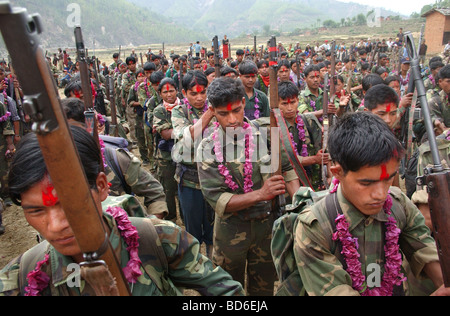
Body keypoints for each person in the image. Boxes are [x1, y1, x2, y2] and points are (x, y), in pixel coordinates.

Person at [0, 125, 244, 296]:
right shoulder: (19, 278)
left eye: (69, 206)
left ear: (102, 186)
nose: (54, 226)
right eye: (36, 212)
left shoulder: (157, 240)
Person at [293, 112, 450, 296]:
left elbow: (425, 251)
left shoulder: (399, 205)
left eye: (388, 179)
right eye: (366, 183)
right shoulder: (315, 226)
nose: (381, 194)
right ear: (337, 172)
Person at [197, 77, 300, 296]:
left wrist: (298, 199)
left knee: (263, 288)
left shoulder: (266, 132)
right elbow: (219, 200)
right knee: (227, 288)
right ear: (212, 111)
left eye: (236, 110)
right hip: (231, 231)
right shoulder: (208, 149)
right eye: (224, 114)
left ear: (244, 102)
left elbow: (287, 168)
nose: (232, 119)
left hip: (267, 229)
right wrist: (261, 194)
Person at [61, 97, 168, 219]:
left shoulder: (114, 158)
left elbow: (154, 191)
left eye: (74, 130)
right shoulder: (48, 169)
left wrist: (150, 227)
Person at [171, 71, 215, 259]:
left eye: (203, 93)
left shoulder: (215, 108)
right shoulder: (179, 111)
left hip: (213, 178)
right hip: (190, 180)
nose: (199, 98)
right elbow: (188, 135)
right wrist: (210, 113)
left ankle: (214, 263)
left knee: (214, 228)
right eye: (193, 93)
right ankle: (196, 265)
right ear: (184, 93)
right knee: (193, 229)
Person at [152, 78, 181, 221]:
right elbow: (165, 134)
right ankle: (172, 221)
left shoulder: (185, 106)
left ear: (177, 91)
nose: (169, 95)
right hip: (166, 157)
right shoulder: (159, 110)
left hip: (185, 156)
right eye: (165, 92)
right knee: (168, 192)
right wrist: (188, 130)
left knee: (184, 191)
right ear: (160, 94)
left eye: (171, 91)